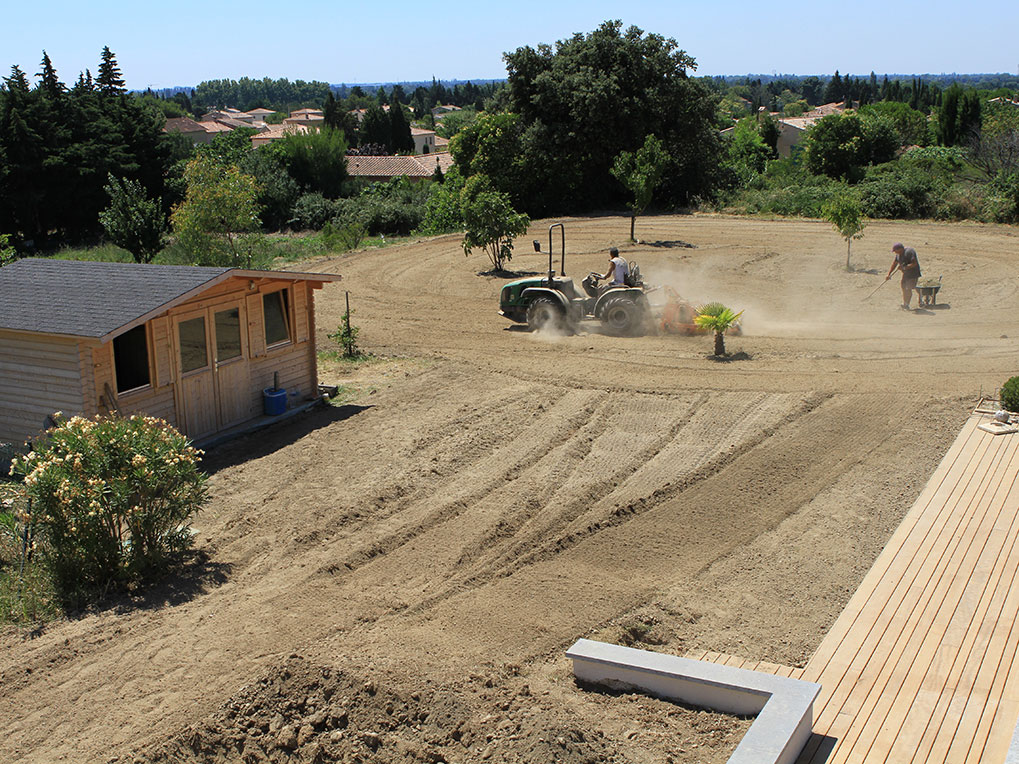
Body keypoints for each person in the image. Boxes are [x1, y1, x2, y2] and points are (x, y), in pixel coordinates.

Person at [885, 243, 921, 310]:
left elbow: (914, 263)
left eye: (896, 251)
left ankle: (907, 304)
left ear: (900, 249)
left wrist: (904, 268)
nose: (895, 252)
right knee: (904, 287)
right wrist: (889, 274)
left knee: (908, 288)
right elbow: (894, 263)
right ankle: (905, 303)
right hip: (906, 274)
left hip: (913, 273)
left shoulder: (909, 252)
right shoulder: (898, 255)